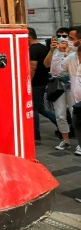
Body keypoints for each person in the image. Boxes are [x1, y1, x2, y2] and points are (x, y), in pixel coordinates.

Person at [47, 27, 78, 149]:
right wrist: (54, 51)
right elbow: (53, 70)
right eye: (59, 36)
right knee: (60, 114)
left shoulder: (75, 51)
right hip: (58, 86)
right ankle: (66, 140)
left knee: (74, 112)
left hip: (72, 86)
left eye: (66, 37)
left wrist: (66, 52)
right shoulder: (55, 51)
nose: (62, 39)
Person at [56, 26, 81, 157]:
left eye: (71, 38)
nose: (68, 41)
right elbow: (56, 70)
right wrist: (59, 53)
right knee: (76, 122)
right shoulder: (71, 58)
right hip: (76, 98)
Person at [28, 27, 56, 140]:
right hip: (44, 80)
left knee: (34, 108)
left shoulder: (33, 50)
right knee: (41, 108)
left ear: (28, 37)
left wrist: (28, 82)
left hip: (37, 83)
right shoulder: (44, 48)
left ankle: (35, 133)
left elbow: (32, 68)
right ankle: (63, 125)